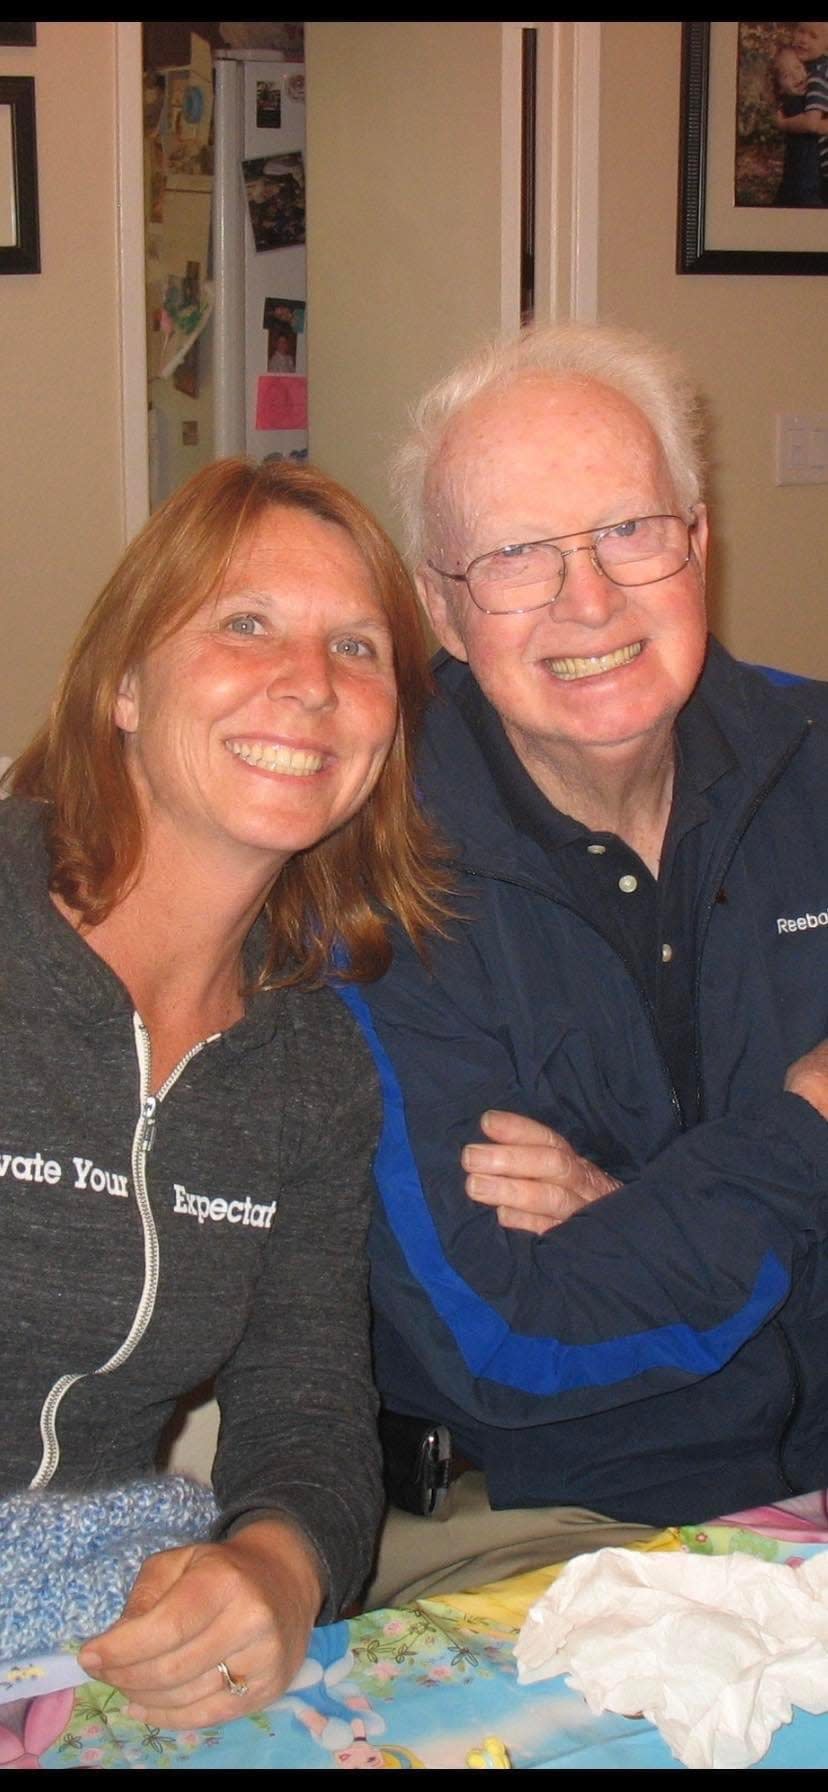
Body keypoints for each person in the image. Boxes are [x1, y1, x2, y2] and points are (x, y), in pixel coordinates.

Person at [346, 321, 828, 1607]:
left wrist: (634, 1204)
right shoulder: (366, 877)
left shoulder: (820, 761)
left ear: (699, 543)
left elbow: (584, 1278)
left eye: (630, 529)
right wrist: (808, 1125)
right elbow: (502, 1337)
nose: (590, 598)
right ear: (444, 608)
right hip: (549, 1521)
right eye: (516, 557)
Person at [0, 457, 448, 1717]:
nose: (309, 683)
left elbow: (308, 1400)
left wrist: (276, 1566)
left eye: (357, 647)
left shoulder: (313, 1064)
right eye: (245, 622)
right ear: (126, 685)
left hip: (85, 1596)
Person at [773, 21, 828, 204]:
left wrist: (783, 124)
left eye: (813, 36)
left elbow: (812, 123)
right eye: (801, 32)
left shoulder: (818, 75)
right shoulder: (809, 66)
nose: (804, 40)